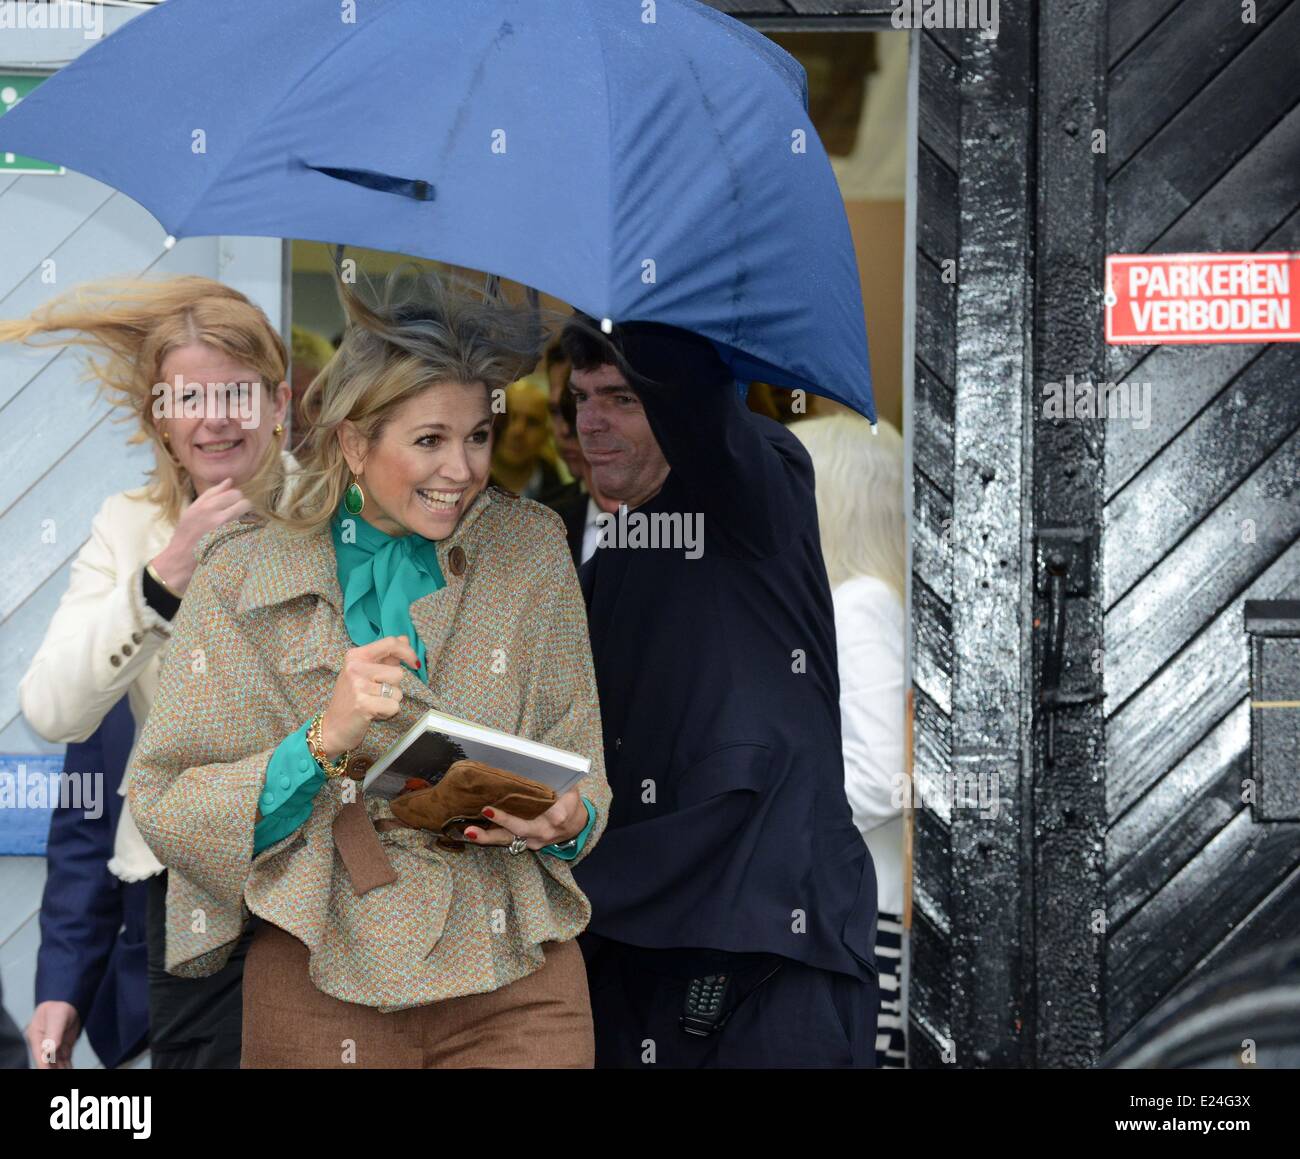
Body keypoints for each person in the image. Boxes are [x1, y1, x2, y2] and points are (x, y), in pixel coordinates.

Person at [128, 270, 611, 1069]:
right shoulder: (243, 572)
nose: (461, 468)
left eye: (478, 436)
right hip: (321, 966)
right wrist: (321, 741)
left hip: (513, 968)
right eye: (429, 440)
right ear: (354, 441)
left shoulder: (530, 551)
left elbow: (579, 762)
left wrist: (568, 821)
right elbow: (171, 800)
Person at [562, 316, 880, 1068]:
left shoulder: (755, 485)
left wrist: (646, 279)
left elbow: (701, 404)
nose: (591, 423)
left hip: (765, 964)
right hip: (639, 958)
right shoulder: (616, 551)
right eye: (581, 398)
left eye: (622, 399)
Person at [6, 275, 297, 1068]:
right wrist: (161, 579)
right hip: (184, 896)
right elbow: (55, 712)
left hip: (318, 886)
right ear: (160, 422)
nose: (215, 418)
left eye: (238, 392)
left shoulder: (336, 516)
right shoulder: (128, 528)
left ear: (279, 401)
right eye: (188, 398)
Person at [793, 415, 907, 1069]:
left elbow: (881, 773)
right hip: (867, 908)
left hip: (866, 914)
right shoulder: (873, 598)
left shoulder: (860, 604)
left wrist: (775, 827)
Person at [29, 698, 149, 1069]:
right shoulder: (106, 665)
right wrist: (64, 986)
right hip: (152, 993)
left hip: (281, 981)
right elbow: (87, 835)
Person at [491, 379, 574, 506]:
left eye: (532, 422)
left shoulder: (567, 501)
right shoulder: (463, 490)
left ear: (546, 434)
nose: (518, 431)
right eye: (509, 417)